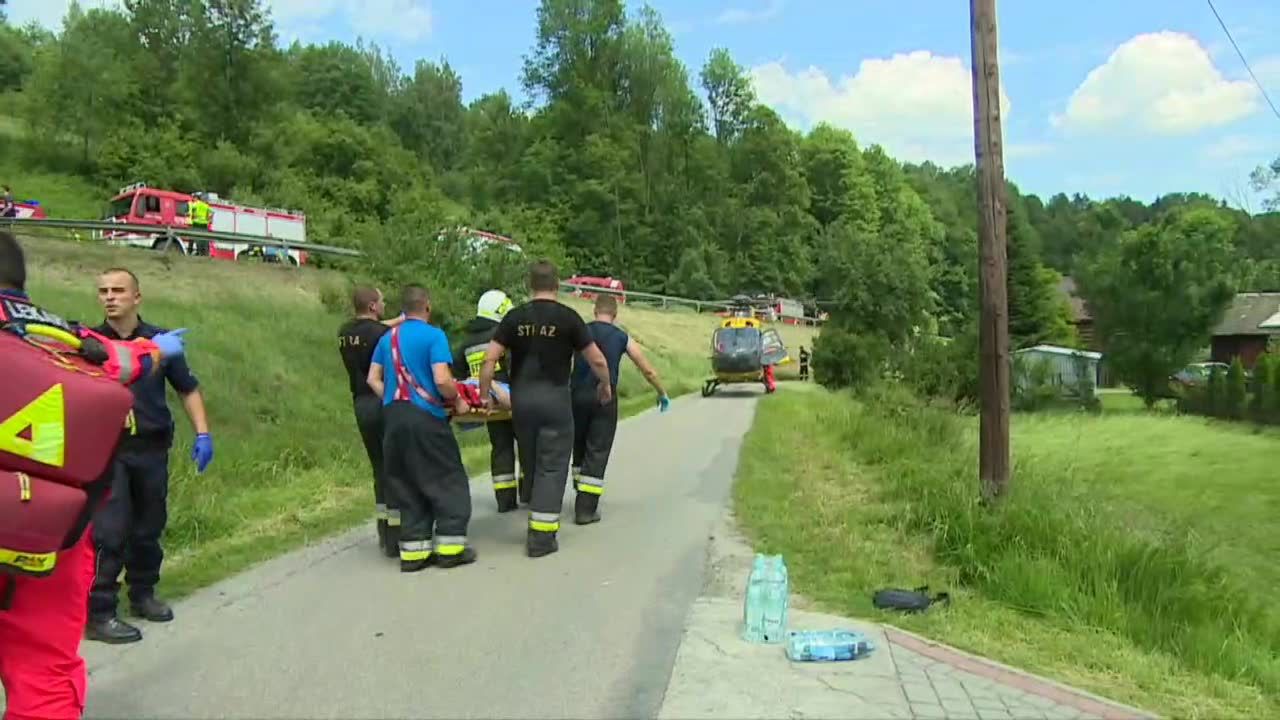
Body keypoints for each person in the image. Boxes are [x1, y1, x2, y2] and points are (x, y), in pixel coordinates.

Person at [0, 230, 188, 720]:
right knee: (45, 679)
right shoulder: (66, 336)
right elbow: (128, 361)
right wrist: (158, 349)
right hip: (47, 534)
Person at [85, 267, 213, 644]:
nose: (110, 297)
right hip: (110, 449)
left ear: (136, 297)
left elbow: (188, 389)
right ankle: (100, 611)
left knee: (149, 524)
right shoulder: (91, 344)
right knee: (110, 530)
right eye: (103, 291)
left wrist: (203, 433)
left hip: (153, 446)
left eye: (118, 290)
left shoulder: (162, 341)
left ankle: (142, 593)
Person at [479, 260, 612, 558]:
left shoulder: (514, 318)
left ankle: (531, 503)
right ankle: (541, 537)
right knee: (552, 465)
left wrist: (484, 393)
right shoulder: (569, 318)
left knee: (532, 459)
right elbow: (598, 360)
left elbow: (489, 360)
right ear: (556, 284)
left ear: (530, 284)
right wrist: (604, 385)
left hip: (522, 403)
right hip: (555, 400)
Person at [367, 285, 476, 573]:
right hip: (425, 418)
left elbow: (372, 379)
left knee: (406, 483)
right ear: (427, 306)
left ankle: (414, 554)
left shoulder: (387, 338)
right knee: (447, 479)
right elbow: (442, 379)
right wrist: (458, 401)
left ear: (403, 309)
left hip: (393, 417)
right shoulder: (434, 336)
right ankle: (450, 549)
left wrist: (392, 398)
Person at [569, 293, 669, 525]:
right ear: (615, 314)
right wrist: (661, 392)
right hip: (605, 396)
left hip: (576, 395)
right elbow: (647, 369)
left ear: (595, 310)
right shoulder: (621, 336)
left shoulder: (579, 331)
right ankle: (585, 510)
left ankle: (580, 489)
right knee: (598, 449)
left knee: (579, 445)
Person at [337, 286, 406, 559]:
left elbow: (369, 331)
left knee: (379, 467)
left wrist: (396, 320)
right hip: (383, 400)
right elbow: (382, 337)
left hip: (360, 404)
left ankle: (383, 528)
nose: (385, 304)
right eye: (382, 301)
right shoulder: (383, 336)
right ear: (373, 306)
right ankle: (397, 535)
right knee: (396, 467)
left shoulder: (345, 333)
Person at [450, 289, 523, 512]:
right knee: (527, 446)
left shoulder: (467, 342)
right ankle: (529, 491)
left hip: (486, 402)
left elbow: (459, 377)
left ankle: (505, 499)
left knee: (500, 447)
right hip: (512, 400)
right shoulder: (505, 337)